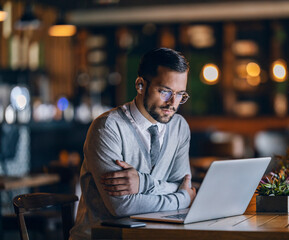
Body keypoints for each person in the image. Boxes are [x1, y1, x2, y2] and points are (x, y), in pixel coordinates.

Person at [70, 48, 196, 240]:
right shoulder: (107, 128)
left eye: (180, 94)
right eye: (165, 91)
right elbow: (121, 207)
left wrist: (142, 183)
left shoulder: (179, 127)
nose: (173, 103)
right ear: (140, 85)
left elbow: (182, 183)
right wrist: (183, 197)